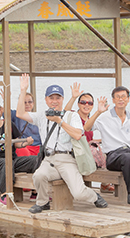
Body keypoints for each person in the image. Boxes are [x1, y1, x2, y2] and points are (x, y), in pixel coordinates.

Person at [16, 74, 108, 214]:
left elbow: (78, 134)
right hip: (49, 159)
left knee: (78, 193)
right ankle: (43, 202)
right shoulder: (42, 115)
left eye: (58, 98)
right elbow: (20, 114)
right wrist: (23, 90)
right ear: (46, 100)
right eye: (51, 98)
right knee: (38, 175)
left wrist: (60, 121)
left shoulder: (71, 116)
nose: (54, 101)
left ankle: (94, 196)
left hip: (67, 160)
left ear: (62, 99)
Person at [88, 87, 130, 204]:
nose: (121, 99)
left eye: (123, 97)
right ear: (113, 100)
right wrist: (98, 112)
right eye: (118, 97)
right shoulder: (105, 117)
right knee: (128, 158)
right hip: (113, 156)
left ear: (128, 99)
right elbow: (87, 127)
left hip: (129, 151)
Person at [0, 101, 35, 205]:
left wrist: (26, 143)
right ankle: (5, 193)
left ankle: (36, 191)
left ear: (0, 111)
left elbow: (16, 143)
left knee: (34, 160)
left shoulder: (9, 124)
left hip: (12, 160)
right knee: (5, 163)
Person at [64, 82, 106, 168]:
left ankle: (105, 181)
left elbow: (88, 138)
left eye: (90, 103)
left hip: (87, 150)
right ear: (78, 104)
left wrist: (103, 140)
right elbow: (65, 112)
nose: (86, 105)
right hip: (76, 151)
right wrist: (73, 97)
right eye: (83, 102)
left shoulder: (90, 121)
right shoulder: (73, 116)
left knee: (108, 155)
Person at [11, 91, 41, 157]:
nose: (27, 104)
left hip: (38, 147)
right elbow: (4, 113)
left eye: (29, 102)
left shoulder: (38, 116)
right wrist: (6, 101)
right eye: (24, 102)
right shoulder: (16, 115)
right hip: (23, 146)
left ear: (33, 103)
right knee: (23, 152)